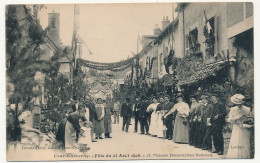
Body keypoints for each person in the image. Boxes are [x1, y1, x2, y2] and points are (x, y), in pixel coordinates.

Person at [226, 94, 254, 159]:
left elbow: (251, 119)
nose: (239, 105)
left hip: (244, 129)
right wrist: (236, 118)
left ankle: (244, 157)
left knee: (244, 142)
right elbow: (229, 120)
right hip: (236, 128)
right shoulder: (233, 109)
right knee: (236, 141)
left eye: (240, 104)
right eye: (237, 104)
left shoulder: (247, 109)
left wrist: (247, 119)